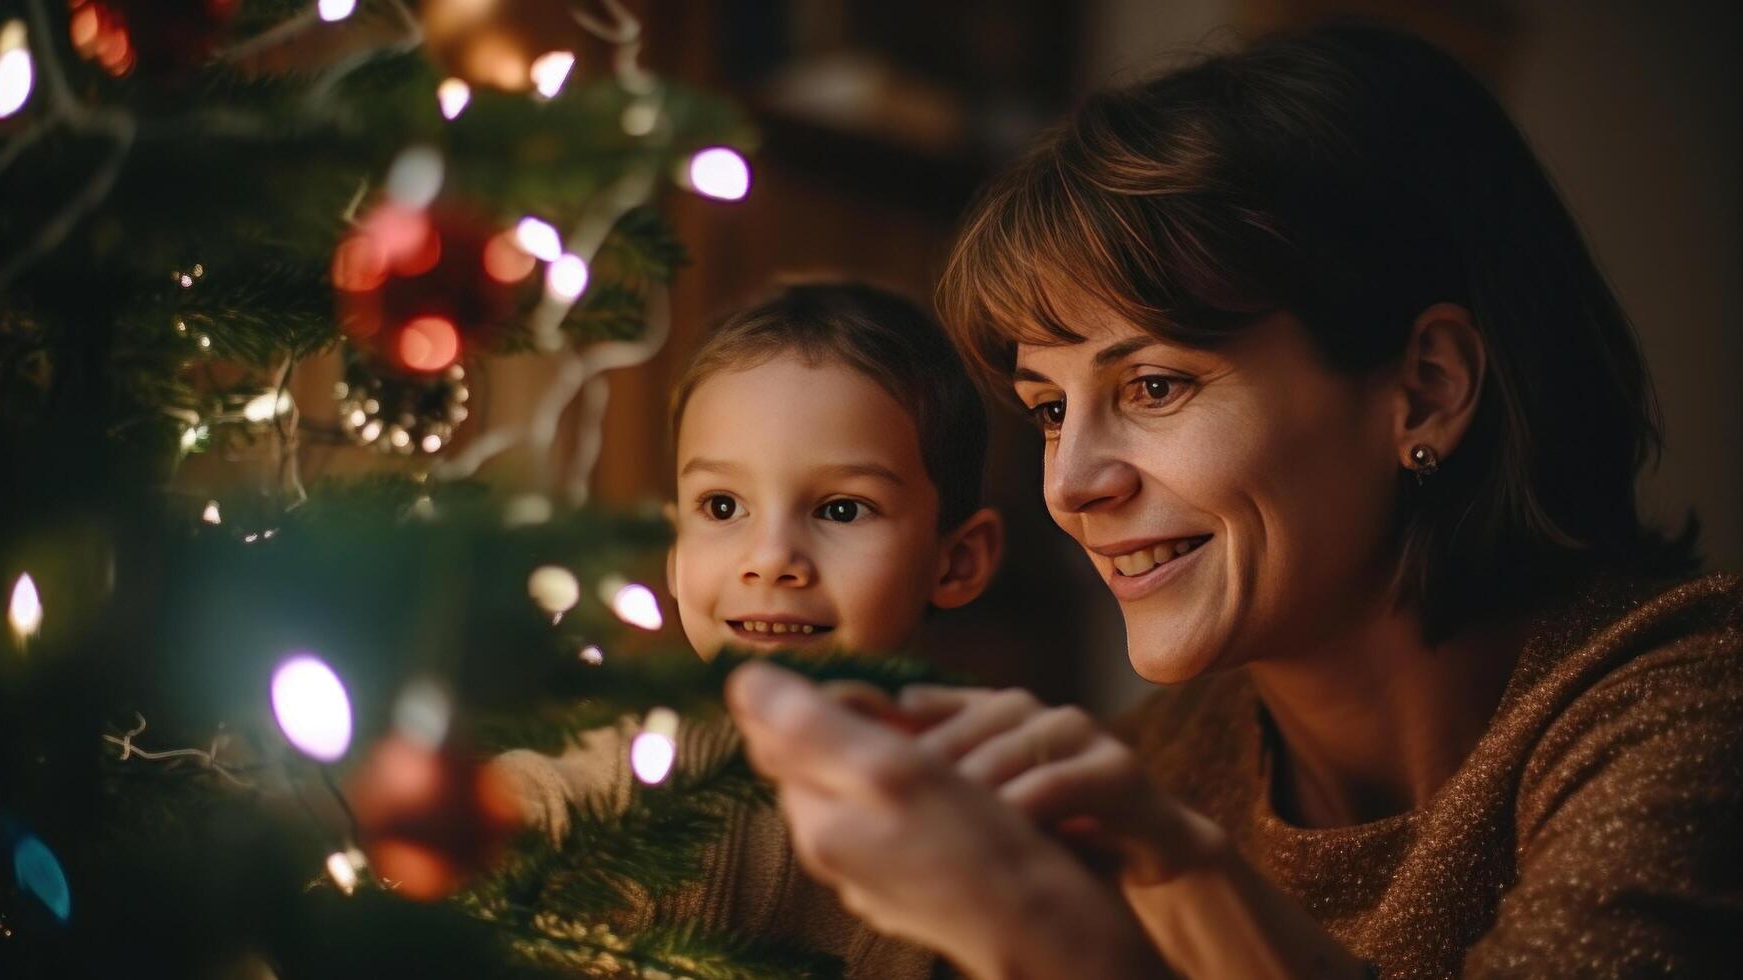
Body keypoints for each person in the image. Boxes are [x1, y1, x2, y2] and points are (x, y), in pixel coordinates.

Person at [724, 23, 1741, 979]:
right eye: (1046, 409)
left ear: (1426, 387)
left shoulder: (1692, 706)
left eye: (1154, 386)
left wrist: (1080, 938)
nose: (1073, 485)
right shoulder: (1145, 775)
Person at [499, 280, 1004, 978]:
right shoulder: (627, 771)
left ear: (955, 562)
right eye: (722, 504)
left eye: (841, 510)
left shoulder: (998, 824)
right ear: (676, 554)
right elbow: (537, 800)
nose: (769, 559)